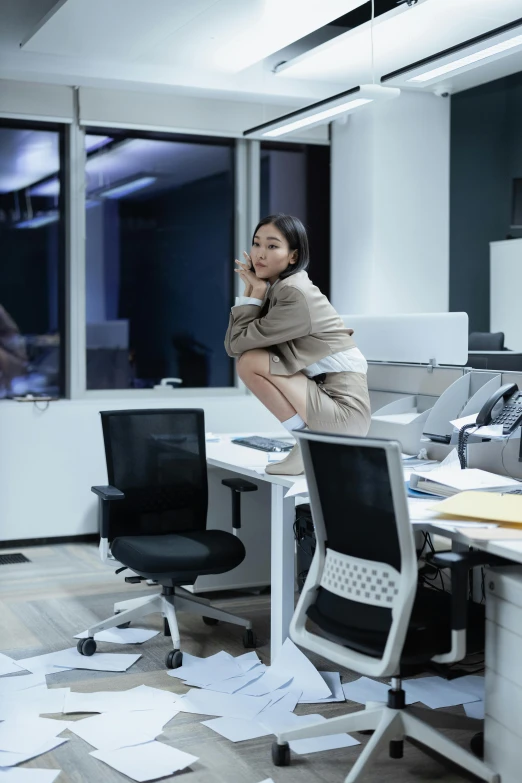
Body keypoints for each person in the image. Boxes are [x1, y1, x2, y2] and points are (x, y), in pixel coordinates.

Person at [224, 214, 371, 475]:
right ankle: (307, 443)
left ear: (293, 256)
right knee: (251, 359)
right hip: (326, 400)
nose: (260, 253)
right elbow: (237, 342)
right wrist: (255, 292)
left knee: (251, 361)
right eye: (256, 244)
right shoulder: (280, 289)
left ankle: (309, 445)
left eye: (272, 246)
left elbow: (236, 345)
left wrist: (255, 294)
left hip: (344, 414)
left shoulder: (293, 293)